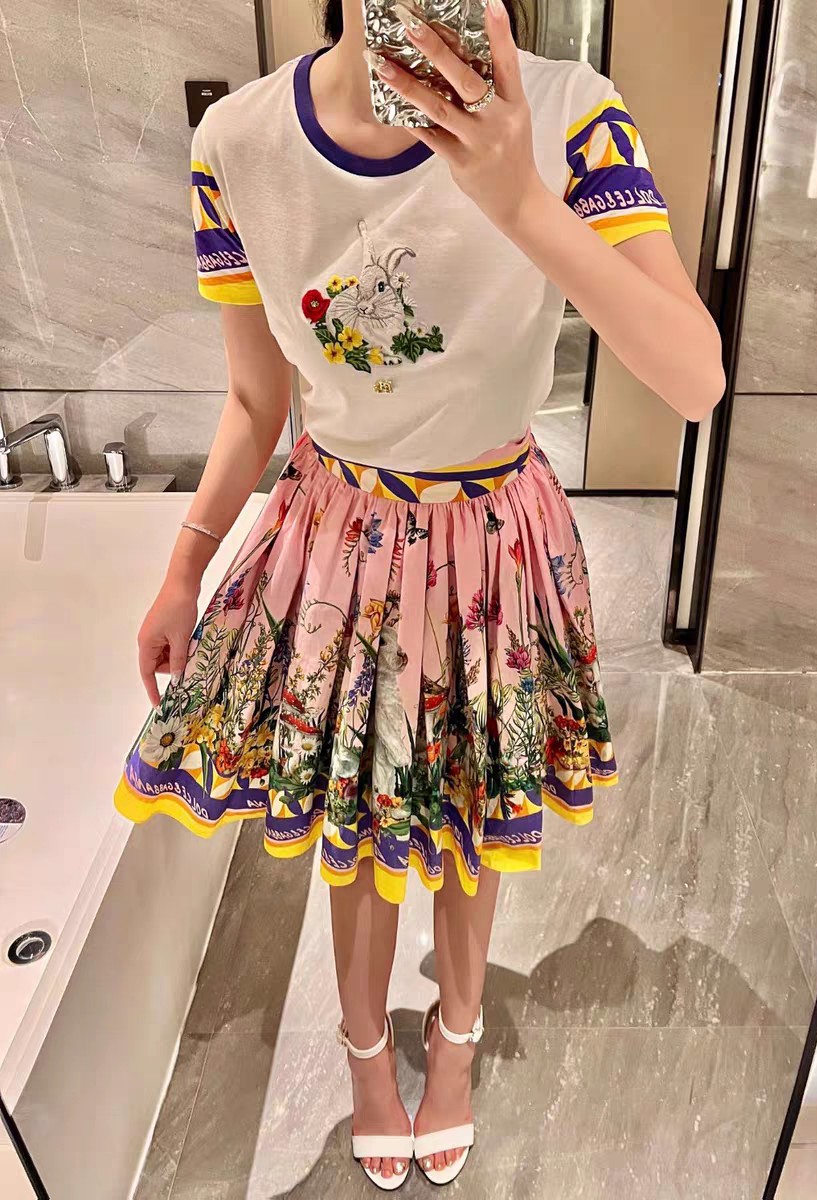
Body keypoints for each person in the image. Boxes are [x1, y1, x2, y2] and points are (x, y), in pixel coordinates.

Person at [115, 0, 725, 1188]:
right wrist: (184, 567)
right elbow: (255, 401)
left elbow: (694, 379)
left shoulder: (571, 113)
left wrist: (518, 199)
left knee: (471, 818)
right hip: (339, 540)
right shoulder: (238, 142)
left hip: (495, 538)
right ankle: (363, 1062)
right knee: (358, 827)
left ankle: (455, 1042)